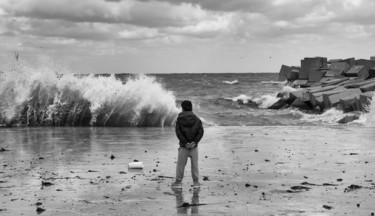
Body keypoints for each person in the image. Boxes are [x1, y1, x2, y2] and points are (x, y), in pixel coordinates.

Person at [171, 100, 204, 189]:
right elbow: (200, 132)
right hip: (194, 147)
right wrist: (195, 142)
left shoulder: (179, 119)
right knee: (195, 165)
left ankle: (178, 182)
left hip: (183, 147)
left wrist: (185, 143)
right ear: (191, 108)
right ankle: (196, 182)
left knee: (181, 164)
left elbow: (178, 133)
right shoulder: (197, 119)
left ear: (182, 108)